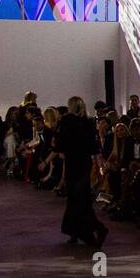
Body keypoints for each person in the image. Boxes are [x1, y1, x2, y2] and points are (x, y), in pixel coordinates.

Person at [56, 97, 108, 248]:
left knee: (76, 200)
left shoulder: (66, 121)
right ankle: (78, 232)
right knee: (81, 199)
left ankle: (94, 229)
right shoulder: (89, 122)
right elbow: (93, 146)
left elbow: (61, 143)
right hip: (84, 163)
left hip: (73, 164)